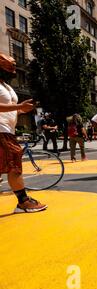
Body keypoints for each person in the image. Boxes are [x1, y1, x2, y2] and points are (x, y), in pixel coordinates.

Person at [0, 53, 47, 213]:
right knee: (14, 164)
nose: (13, 70)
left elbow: (9, 110)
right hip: (1, 132)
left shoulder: (6, 86)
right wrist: (18, 106)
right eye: (9, 66)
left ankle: (23, 201)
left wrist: (21, 109)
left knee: (8, 165)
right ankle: (23, 201)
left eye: (14, 66)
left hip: (7, 131)